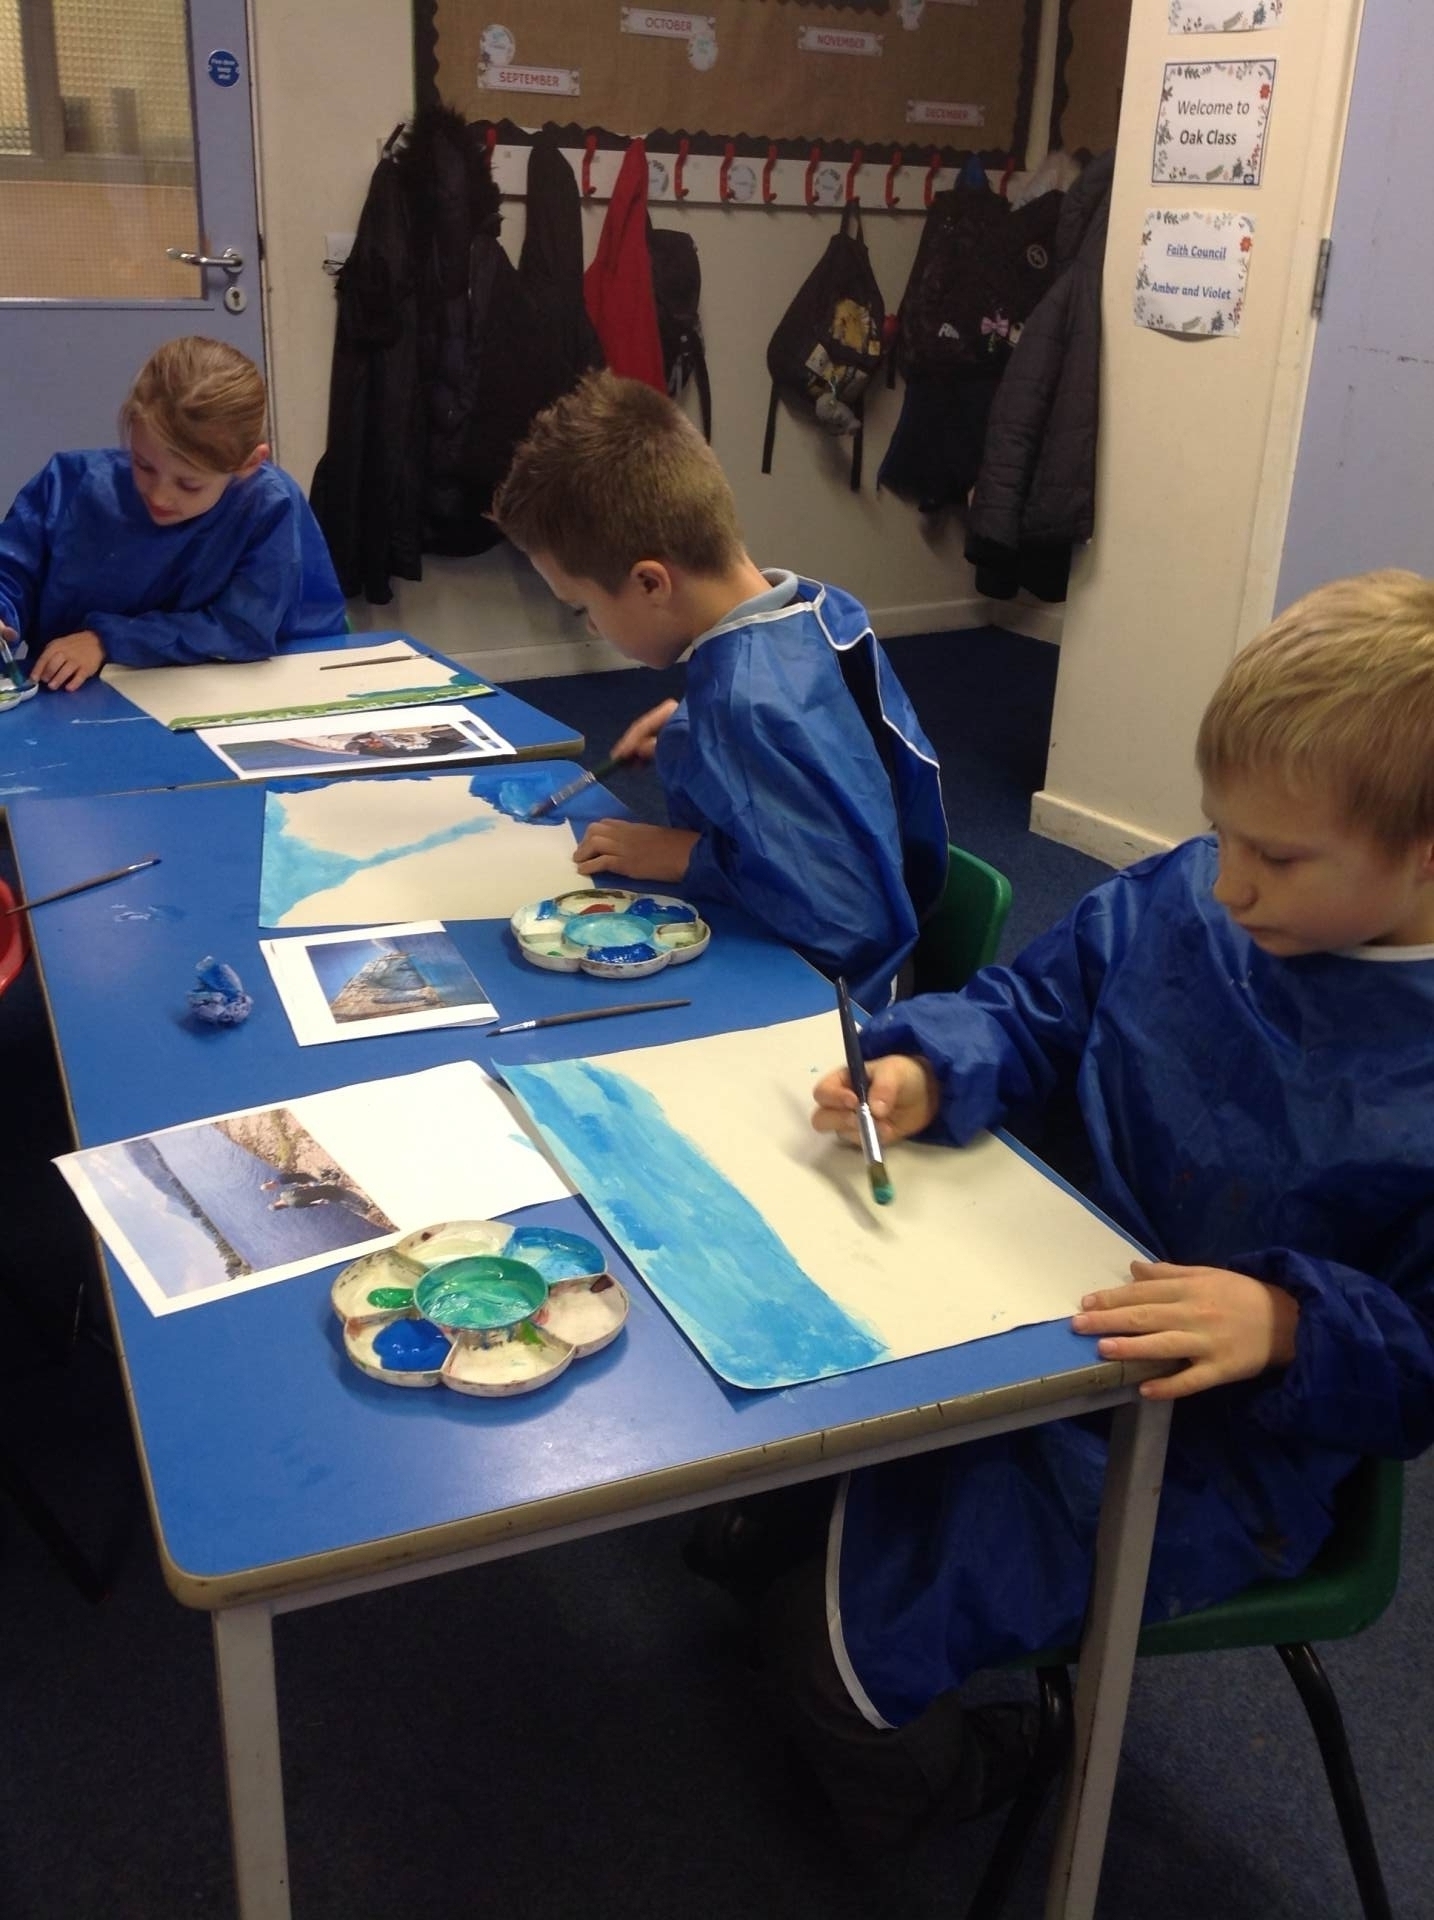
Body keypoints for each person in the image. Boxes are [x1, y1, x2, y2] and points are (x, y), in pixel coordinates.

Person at [787, 568, 1434, 1848]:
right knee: (769, 1441)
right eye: (1221, 832)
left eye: (1278, 856)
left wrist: (1291, 1325)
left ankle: (970, 1773)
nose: (1229, 884)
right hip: (1028, 1296)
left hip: (1208, 1443)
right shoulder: (1189, 896)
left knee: (834, 1656)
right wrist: (934, 1068)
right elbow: (1037, 1006)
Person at [491, 370, 948, 1008]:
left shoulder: (745, 707)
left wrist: (687, 856)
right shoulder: (816, 607)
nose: (592, 627)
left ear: (651, 583)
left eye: (583, 609)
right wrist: (694, 726)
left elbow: (848, 923)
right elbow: (830, 741)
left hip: (833, 1002)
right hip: (896, 935)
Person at [0, 335, 346, 691]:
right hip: (75, 698)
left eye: (189, 484)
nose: (160, 496)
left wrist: (106, 639)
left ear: (248, 464)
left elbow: (242, 628)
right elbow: (11, 572)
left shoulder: (267, 505)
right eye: (143, 465)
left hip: (240, 692)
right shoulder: (69, 486)